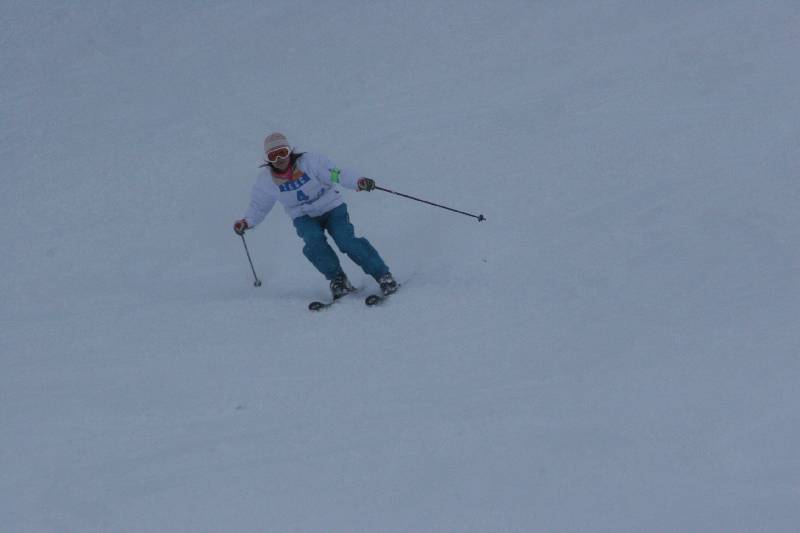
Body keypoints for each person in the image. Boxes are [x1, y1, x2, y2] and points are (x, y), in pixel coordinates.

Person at [233, 132, 398, 299]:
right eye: (273, 156)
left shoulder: (310, 162)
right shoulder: (266, 181)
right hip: (303, 216)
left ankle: (383, 275)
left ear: (289, 151)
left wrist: (357, 181)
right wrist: (246, 222)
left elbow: (336, 174)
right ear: (268, 159)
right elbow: (259, 206)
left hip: (332, 207)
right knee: (314, 243)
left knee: (346, 241)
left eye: (282, 152)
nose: (279, 159)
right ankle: (339, 280)